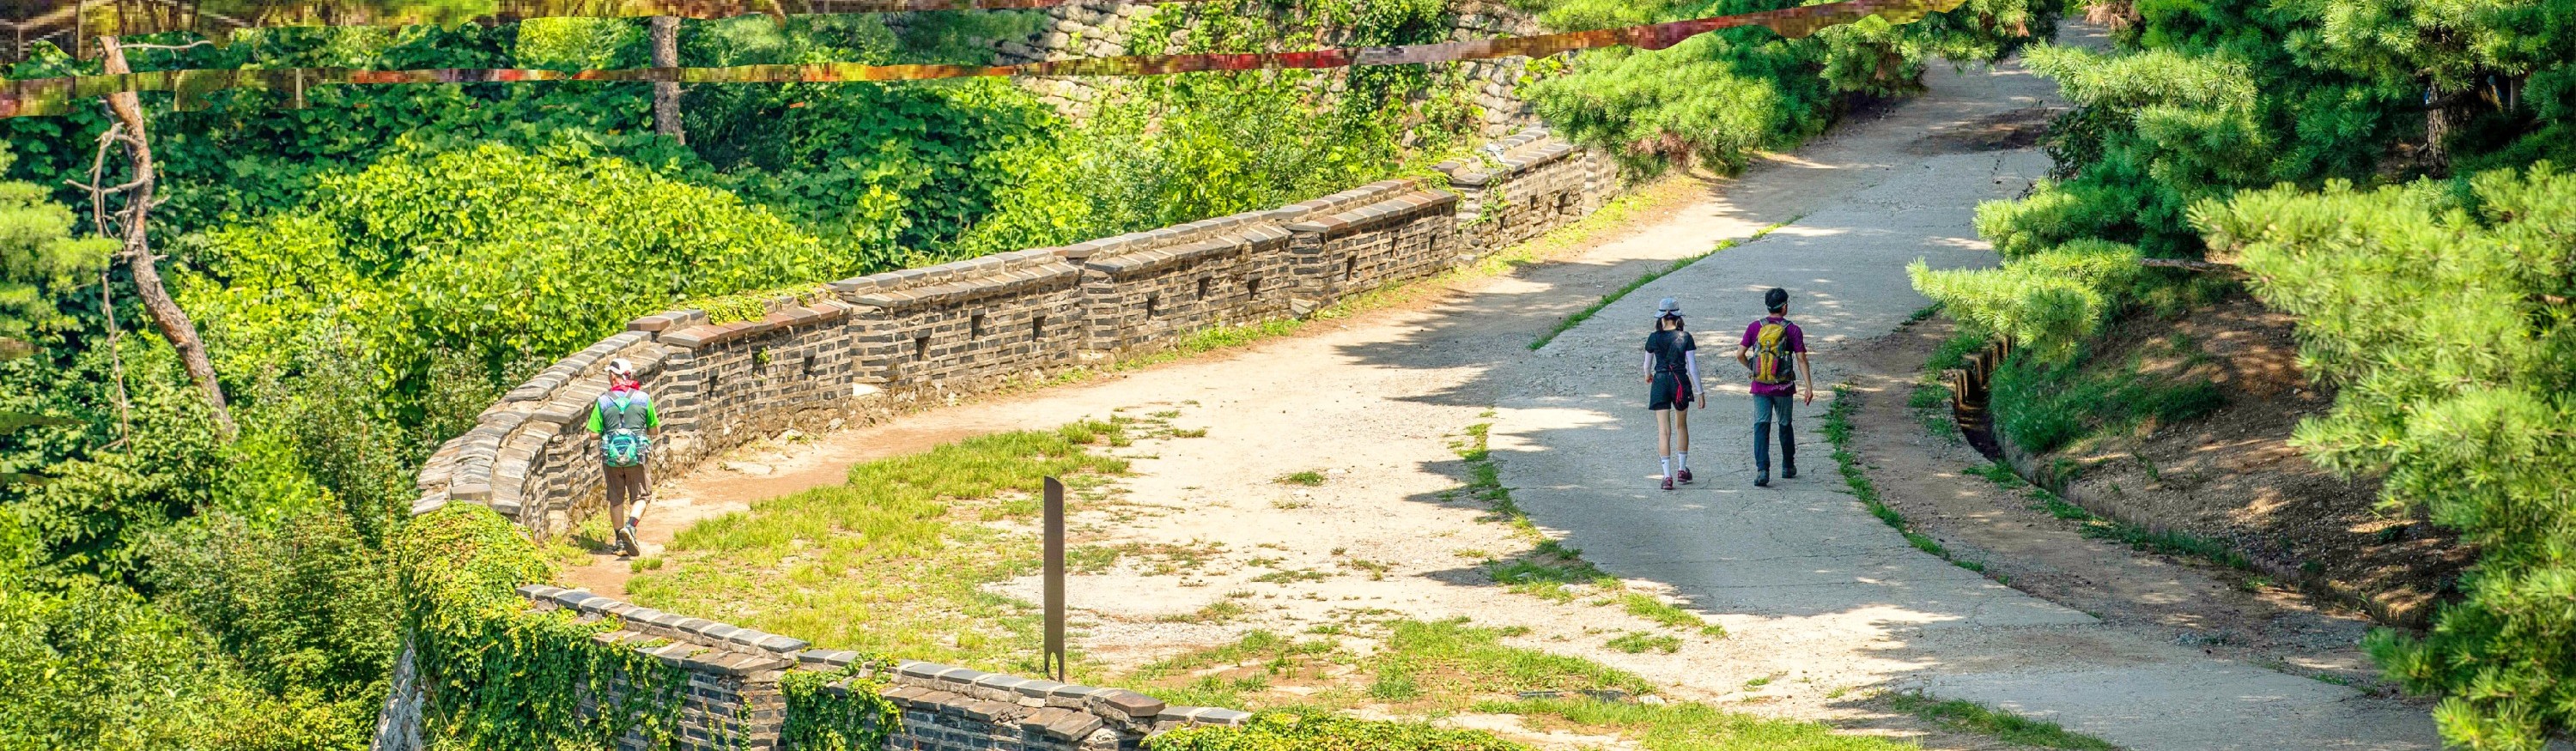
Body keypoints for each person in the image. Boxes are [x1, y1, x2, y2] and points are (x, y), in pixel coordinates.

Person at [1735, 288, 1812, 488]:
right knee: (1785, 424)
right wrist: (1808, 386)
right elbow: (1802, 358)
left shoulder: (1755, 328)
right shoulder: (1792, 330)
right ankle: (1787, 466)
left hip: (1760, 386)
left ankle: (1762, 470)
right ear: (1784, 307)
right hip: (1784, 387)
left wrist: (1753, 367)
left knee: (1761, 425)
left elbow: (1739, 354)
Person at [588, 358, 661, 557]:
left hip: (611, 458)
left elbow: (593, 434)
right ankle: (630, 526)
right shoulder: (643, 399)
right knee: (642, 496)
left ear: (613, 376)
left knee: (616, 497)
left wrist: (609, 430)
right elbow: (654, 430)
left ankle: (620, 543)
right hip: (637, 456)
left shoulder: (603, 401)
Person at [1643, 297, 1705, 491]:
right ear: (1678, 317)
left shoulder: (1654, 337)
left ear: (1661, 318)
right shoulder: (1685, 337)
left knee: (1664, 430)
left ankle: (1667, 476)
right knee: (1681, 426)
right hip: (1680, 382)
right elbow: (1692, 368)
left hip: (1660, 381)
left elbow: (1646, 365)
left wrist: (1648, 375)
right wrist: (1700, 391)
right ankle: (1682, 469)